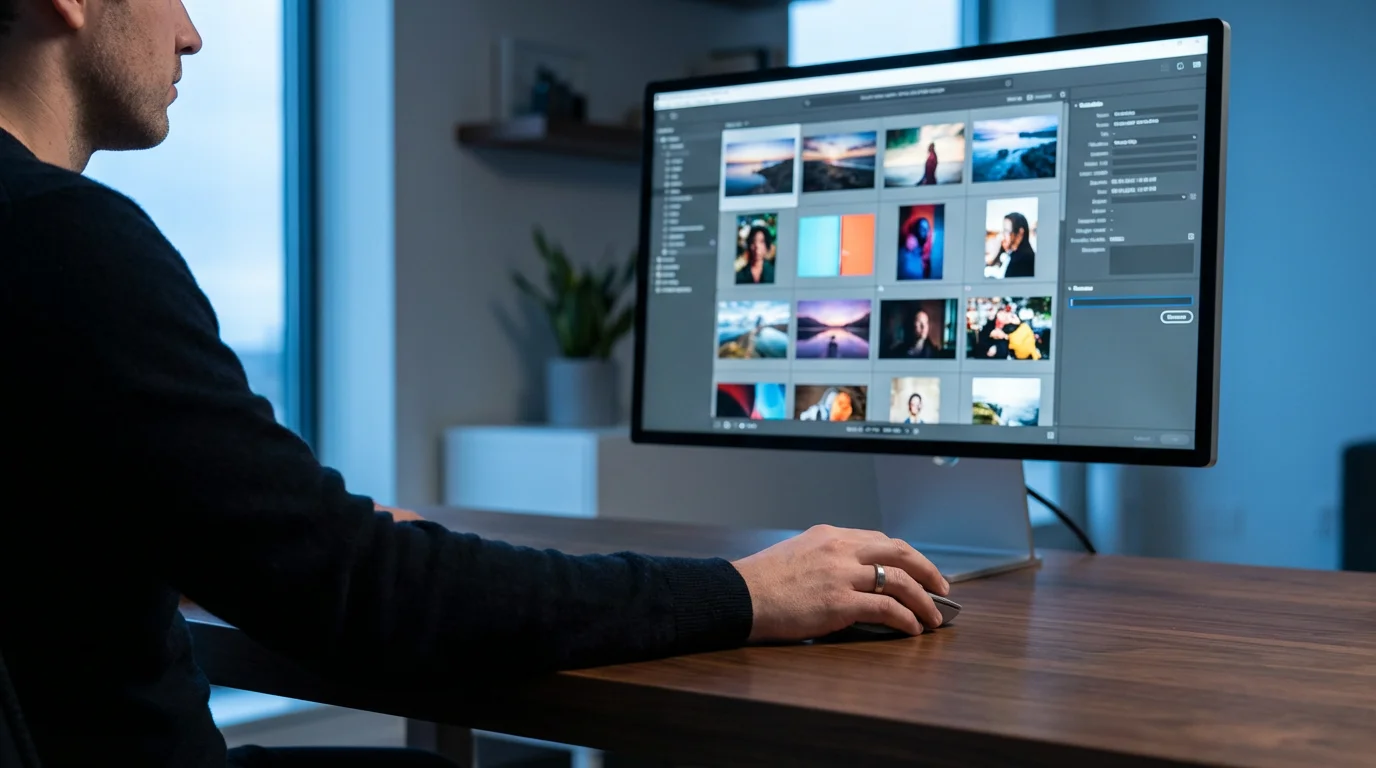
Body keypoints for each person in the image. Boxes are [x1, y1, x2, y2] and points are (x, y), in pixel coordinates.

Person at [0, 2, 951, 767]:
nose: (192, 31)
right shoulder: (65, 243)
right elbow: (369, 599)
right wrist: (747, 591)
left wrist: (242, 541)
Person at [989, 212, 1036, 279]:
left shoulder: (1025, 261)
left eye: (1006, 231)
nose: (1003, 236)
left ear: (1020, 233)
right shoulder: (1009, 255)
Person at [897, 215, 932, 280]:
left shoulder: (924, 255)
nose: (925, 232)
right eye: (922, 228)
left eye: (927, 229)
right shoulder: (903, 252)